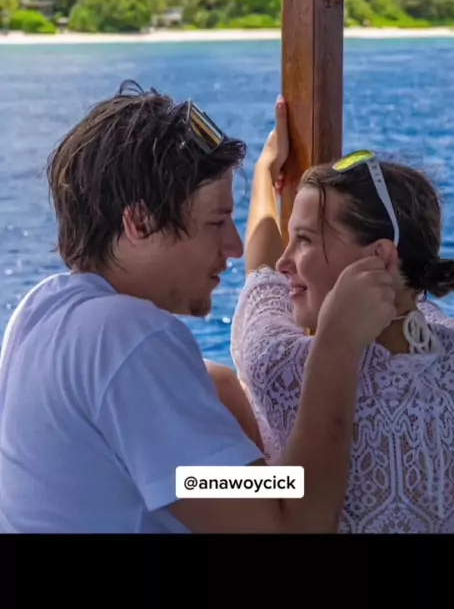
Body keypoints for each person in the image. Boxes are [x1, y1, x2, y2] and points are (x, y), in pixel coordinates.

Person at [0, 81, 397, 534]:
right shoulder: (129, 338)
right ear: (140, 222)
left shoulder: (40, 310)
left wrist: (223, 392)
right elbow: (289, 528)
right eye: (216, 221)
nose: (233, 246)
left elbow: (181, 474)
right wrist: (337, 345)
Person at [231, 95, 454, 533]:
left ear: (379, 257)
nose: (286, 261)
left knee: (215, 388)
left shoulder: (285, 367)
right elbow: (418, 310)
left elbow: (262, 272)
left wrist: (265, 172)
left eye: (304, 239)